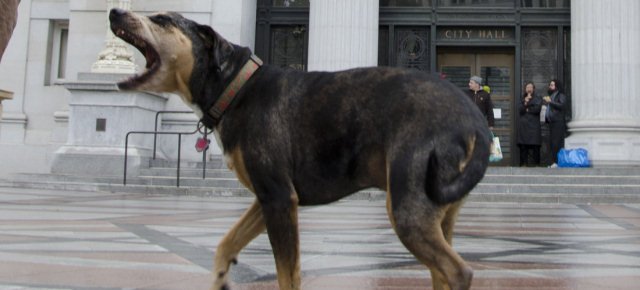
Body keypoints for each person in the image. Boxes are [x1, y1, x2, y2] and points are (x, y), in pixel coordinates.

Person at [543, 79, 568, 168]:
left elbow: (562, 105)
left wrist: (550, 102)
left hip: (558, 122)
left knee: (556, 143)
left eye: (552, 85)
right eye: (550, 85)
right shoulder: (552, 95)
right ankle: (553, 162)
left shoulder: (560, 95)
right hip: (552, 122)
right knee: (552, 143)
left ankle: (557, 162)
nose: (550, 86)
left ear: (557, 86)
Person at [517, 82, 542, 166]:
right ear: (525, 89)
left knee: (535, 146)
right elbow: (520, 110)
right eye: (527, 87)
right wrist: (525, 102)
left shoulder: (538, 98)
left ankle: (536, 164)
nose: (529, 89)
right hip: (524, 126)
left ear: (533, 89)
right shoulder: (522, 98)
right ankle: (523, 164)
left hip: (534, 126)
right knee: (523, 146)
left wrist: (527, 109)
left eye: (530, 87)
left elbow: (537, 109)